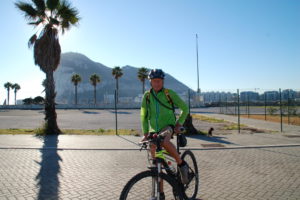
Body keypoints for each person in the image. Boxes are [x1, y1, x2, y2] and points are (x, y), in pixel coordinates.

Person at [140, 69, 189, 187]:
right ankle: (160, 194)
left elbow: (185, 108)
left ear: (163, 81)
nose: (157, 83)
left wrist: (179, 123)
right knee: (157, 167)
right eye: (154, 81)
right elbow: (143, 115)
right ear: (150, 82)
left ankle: (182, 164)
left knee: (164, 140)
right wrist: (146, 133)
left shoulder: (169, 93)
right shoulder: (146, 96)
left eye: (159, 81)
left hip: (168, 126)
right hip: (153, 130)